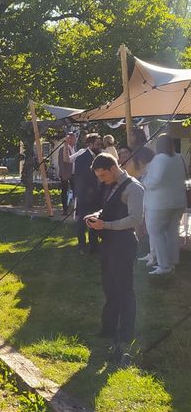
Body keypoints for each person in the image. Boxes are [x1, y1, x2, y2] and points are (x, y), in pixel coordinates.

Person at [85, 153, 143, 356]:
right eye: (98, 176)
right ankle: (108, 328)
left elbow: (135, 219)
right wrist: (97, 216)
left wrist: (106, 225)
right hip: (108, 243)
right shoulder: (111, 185)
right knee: (110, 287)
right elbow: (109, 207)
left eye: (103, 175)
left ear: (113, 168)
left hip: (124, 244)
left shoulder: (134, 188)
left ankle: (126, 332)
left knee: (125, 289)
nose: (101, 179)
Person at [142, 134, 186, 275]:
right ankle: (172, 261)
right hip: (178, 201)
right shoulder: (180, 157)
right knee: (172, 232)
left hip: (160, 203)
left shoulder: (159, 158)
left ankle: (163, 265)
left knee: (156, 232)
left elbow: (155, 180)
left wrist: (144, 182)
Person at [73, 133, 103, 254]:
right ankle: (82, 245)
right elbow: (80, 178)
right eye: (97, 144)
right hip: (84, 196)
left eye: (100, 144)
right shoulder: (82, 158)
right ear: (90, 144)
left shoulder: (100, 156)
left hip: (97, 195)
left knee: (94, 220)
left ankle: (94, 245)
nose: (99, 146)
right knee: (82, 222)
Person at [59, 133, 77, 215]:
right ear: (69, 139)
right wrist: (63, 174)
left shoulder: (74, 148)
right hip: (66, 174)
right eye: (73, 138)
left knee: (75, 190)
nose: (75, 140)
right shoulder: (63, 149)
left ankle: (75, 208)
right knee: (64, 191)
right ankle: (65, 209)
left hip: (73, 174)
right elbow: (61, 162)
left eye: (75, 138)